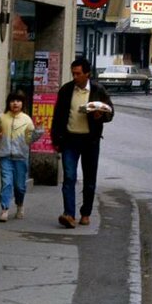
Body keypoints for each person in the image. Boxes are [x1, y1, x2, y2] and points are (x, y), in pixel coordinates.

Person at [50, 56, 114, 228]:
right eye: (73, 73)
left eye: (78, 73)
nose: (75, 77)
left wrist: (100, 115)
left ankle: (85, 213)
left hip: (90, 140)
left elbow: (110, 112)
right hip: (70, 139)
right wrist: (56, 139)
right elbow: (57, 116)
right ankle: (69, 214)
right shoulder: (66, 90)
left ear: (87, 74)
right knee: (69, 177)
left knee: (89, 178)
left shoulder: (98, 90)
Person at [0, 90, 36, 222]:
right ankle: (5, 209)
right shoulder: (1, 117)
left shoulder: (27, 119)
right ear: (8, 103)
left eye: (18, 101)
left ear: (22, 104)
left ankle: (20, 205)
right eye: (12, 101)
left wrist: (37, 133)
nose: (15, 103)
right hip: (5, 155)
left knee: (19, 185)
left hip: (20, 157)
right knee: (6, 183)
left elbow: (30, 139)